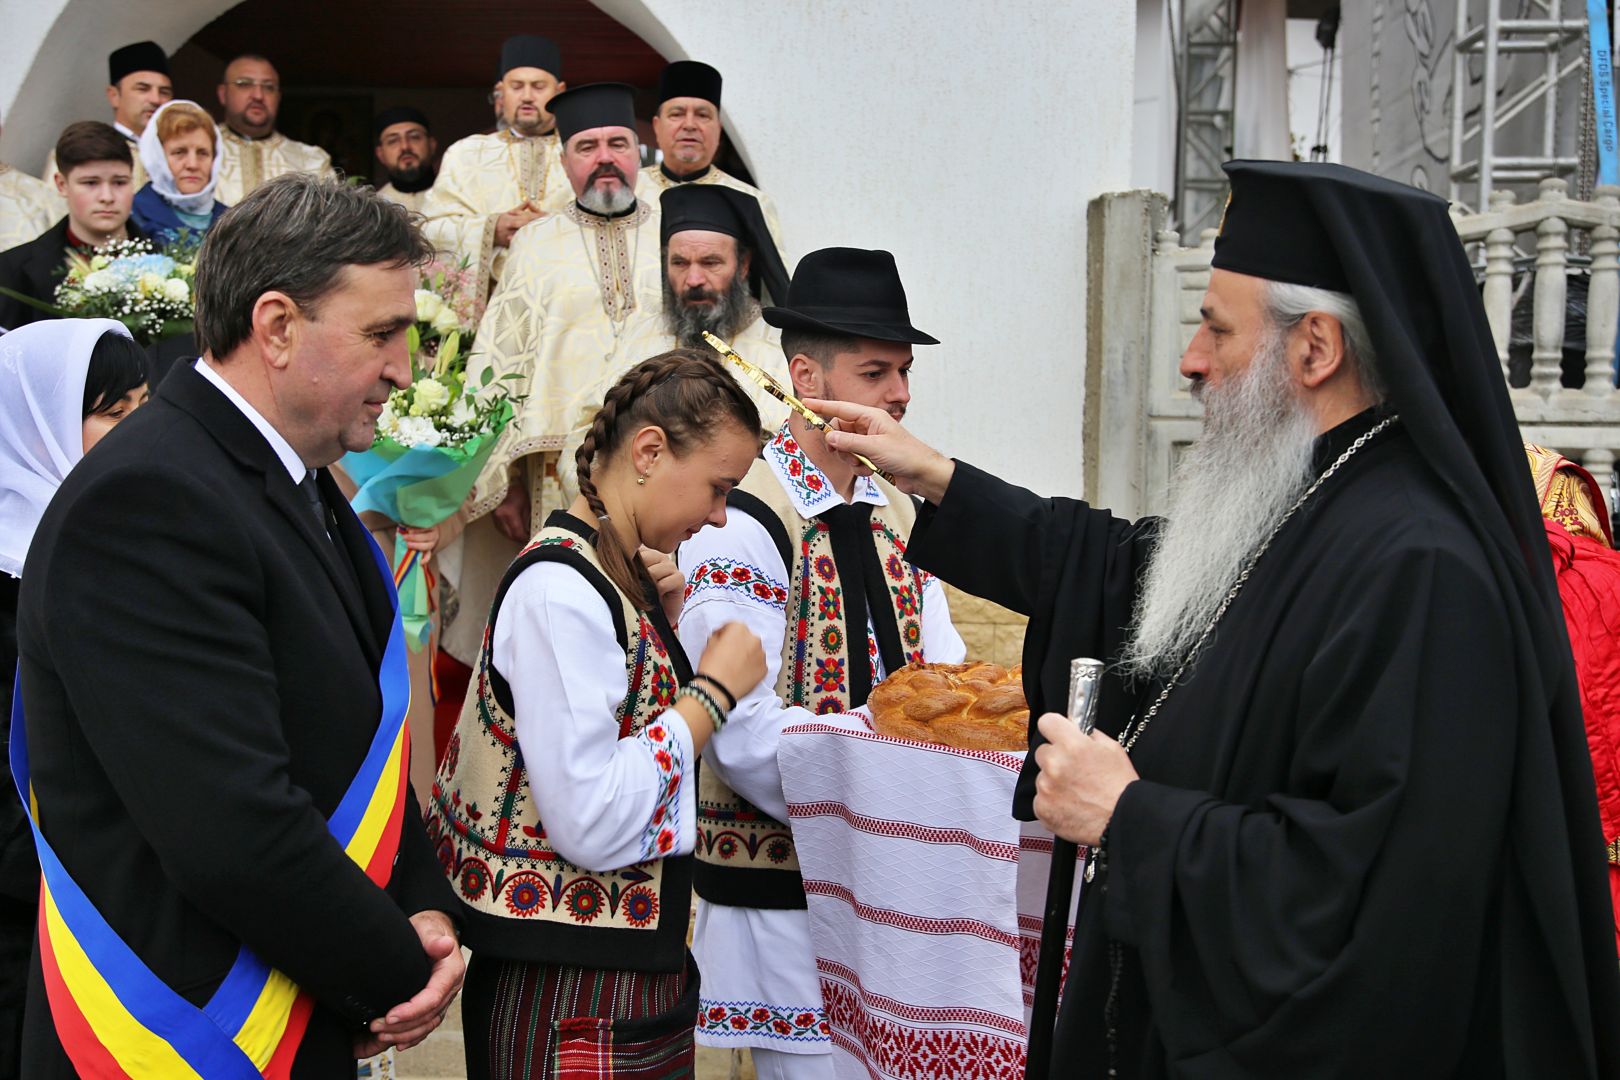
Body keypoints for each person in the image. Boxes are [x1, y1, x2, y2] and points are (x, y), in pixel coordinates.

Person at [812, 160, 1620, 1077]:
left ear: (1314, 348)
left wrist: (1128, 816)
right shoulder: (1320, 495)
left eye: (1214, 326)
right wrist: (936, 476)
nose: (1191, 360)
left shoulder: (1423, 568)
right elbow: (1134, 571)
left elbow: (1371, 900)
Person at [14, 174, 464, 1077]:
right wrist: (394, 968)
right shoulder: (152, 499)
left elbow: (358, 746)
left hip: (284, 991)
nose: (405, 369)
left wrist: (423, 905)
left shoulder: (294, 476)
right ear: (277, 326)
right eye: (381, 333)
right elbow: (227, 826)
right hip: (181, 1020)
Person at [426, 349, 767, 1079]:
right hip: (569, 992)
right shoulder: (561, 591)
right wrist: (709, 695)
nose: (719, 514)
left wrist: (663, 622)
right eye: (717, 486)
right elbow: (590, 817)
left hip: (606, 983)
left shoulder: (609, 574)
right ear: (649, 451)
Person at [677, 248, 964, 1080]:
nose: (902, 394)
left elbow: (943, 676)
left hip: (898, 883)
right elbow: (740, 730)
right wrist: (897, 766)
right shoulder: (744, 516)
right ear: (805, 376)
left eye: (904, 372)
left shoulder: (898, 507)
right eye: (876, 372)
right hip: (788, 896)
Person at [446, 82, 665, 683]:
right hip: (558, 482)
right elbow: (502, 363)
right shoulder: (537, 244)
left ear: (638, 151)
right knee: (573, 631)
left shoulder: (679, 233)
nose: (604, 158)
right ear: (565, 160)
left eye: (618, 143)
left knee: (667, 617)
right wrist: (505, 485)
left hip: (674, 468)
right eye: (586, 146)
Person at [0, 319, 147, 1080]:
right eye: (109, 413)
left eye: (141, 409)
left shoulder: (112, 530)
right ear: (40, 419)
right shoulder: (12, 558)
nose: (134, 432)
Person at [620, 182, 791, 429]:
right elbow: (594, 427)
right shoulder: (639, 336)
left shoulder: (778, 349)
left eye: (710, 262)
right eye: (679, 263)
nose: (693, 280)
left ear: (743, 266)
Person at [421, 35, 572, 303]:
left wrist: (554, 227)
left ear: (559, 91)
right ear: (501, 92)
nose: (527, 96)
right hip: (488, 309)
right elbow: (430, 231)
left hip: (565, 302)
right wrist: (492, 228)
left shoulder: (581, 152)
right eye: (517, 86)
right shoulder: (466, 154)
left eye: (538, 86)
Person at [0, 122, 145, 332]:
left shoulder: (170, 265)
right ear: (61, 184)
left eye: (119, 182)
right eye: (90, 183)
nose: (107, 197)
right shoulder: (12, 271)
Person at [635, 61, 786, 260]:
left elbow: (772, 285)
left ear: (718, 129)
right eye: (677, 114)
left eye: (702, 115)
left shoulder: (751, 202)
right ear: (656, 126)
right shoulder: (630, 193)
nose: (689, 124)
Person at [40, 41, 171, 193]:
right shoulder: (74, 151)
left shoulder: (181, 157)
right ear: (114, 95)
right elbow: (53, 212)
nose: (156, 99)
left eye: (164, 92)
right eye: (143, 89)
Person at [213, 53, 336, 206]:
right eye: (244, 84)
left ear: (278, 97)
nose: (258, 95)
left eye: (268, 87)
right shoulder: (195, 153)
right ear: (223, 94)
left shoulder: (311, 161)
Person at [130, 99, 228, 243]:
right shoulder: (135, 215)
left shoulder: (231, 219)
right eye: (179, 152)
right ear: (158, 158)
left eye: (203, 153)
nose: (193, 164)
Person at [374, 106, 437, 213]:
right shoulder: (375, 209)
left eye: (414, 137)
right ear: (380, 154)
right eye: (393, 140)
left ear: (432, 145)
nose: (405, 146)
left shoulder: (458, 197)